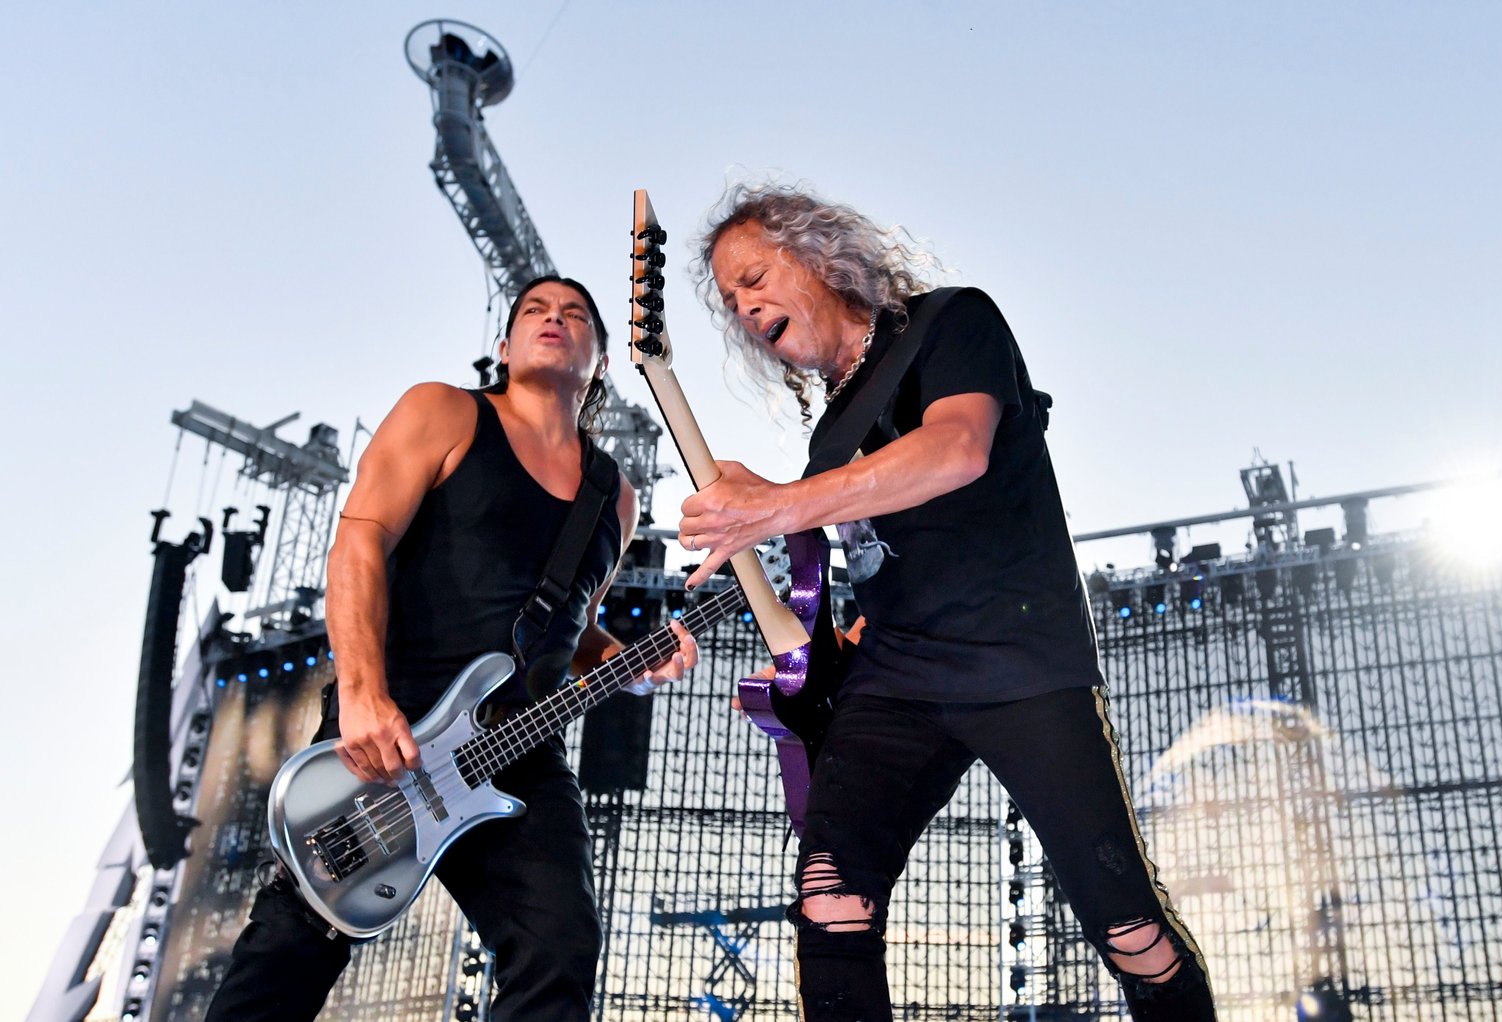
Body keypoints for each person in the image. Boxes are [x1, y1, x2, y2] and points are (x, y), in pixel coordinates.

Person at [677, 185, 1215, 1021]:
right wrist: (840, 617)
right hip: (898, 674)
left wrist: (784, 501)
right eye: (730, 300)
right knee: (828, 891)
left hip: (1020, 663)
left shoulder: (954, 321)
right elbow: (877, 544)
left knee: (1128, 930)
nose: (745, 306)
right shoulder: (833, 428)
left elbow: (957, 449)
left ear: (815, 252)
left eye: (753, 275)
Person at [207, 275, 697, 1021]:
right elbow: (361, 540)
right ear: (504, 348)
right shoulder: (444, 412)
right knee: (296, 938)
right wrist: (363, 695)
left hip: (518, 751)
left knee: (559, 948)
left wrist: (633, 661)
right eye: (535, 310)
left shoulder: (615, 497)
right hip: (393, 717)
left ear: (598, 361)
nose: (553, 318)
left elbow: (573, 633)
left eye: (573, 314)